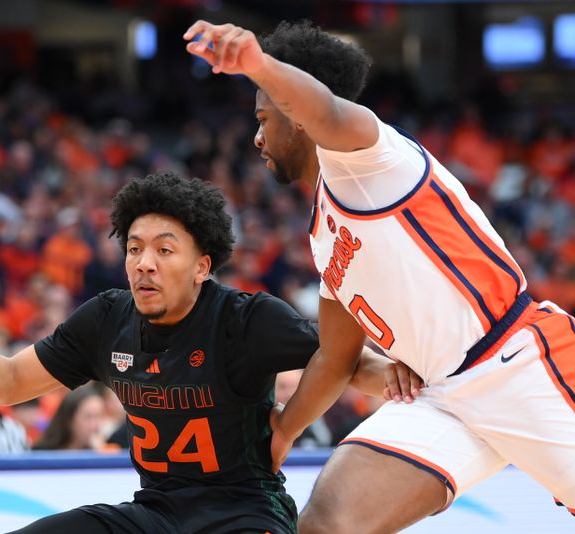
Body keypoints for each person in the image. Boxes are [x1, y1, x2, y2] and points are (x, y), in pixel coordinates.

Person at [183, 19, 575, 532]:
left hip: (518, 366)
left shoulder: (372, 159)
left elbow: (324, 109)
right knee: (328, 522)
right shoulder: (324, 230)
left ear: (295, 115)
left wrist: (256, 63)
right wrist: (282, 429)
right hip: (440, 398)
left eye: (263, 116)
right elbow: (336, 356)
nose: (257, 136)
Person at [0, 170, 420, 533]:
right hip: (156, 512)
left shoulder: (244, 319)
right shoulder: (106, 319)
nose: (144, 263)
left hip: (244, 513)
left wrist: (406, 378)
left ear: (202, 265)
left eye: (163, 249)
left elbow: (347, 360)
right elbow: (4, 382)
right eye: (134, 248)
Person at [32, 384, 106, 451]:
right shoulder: (41, 453)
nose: (95, 425)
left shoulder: (100, 452)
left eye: (99, 416)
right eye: (88, 417)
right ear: (69, 419)